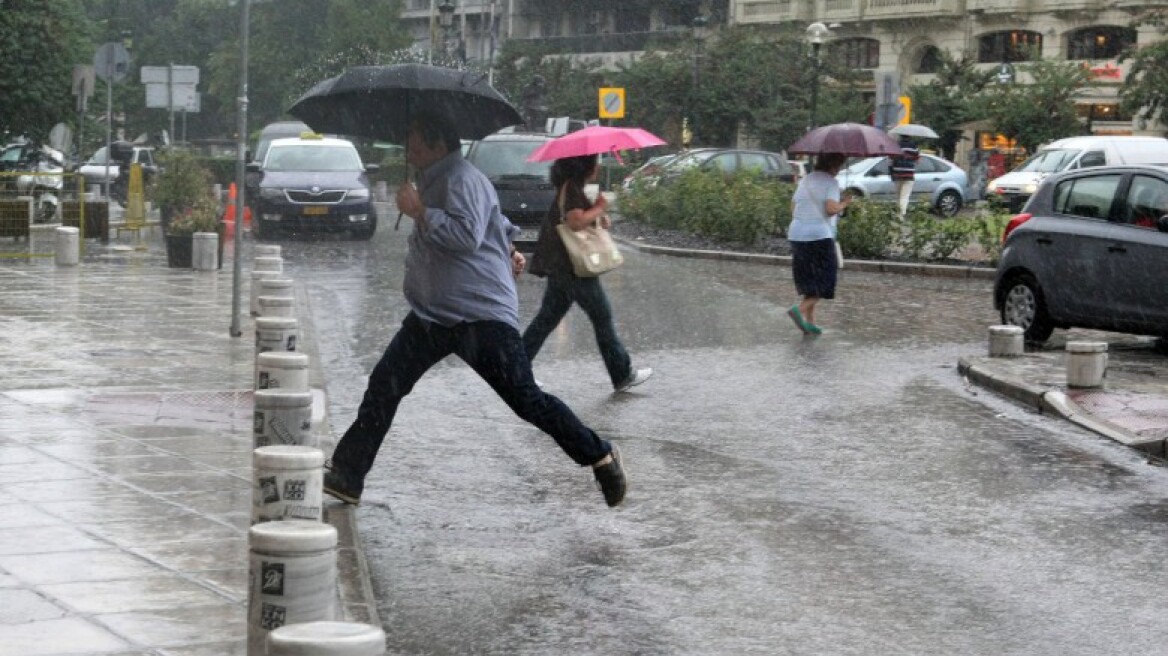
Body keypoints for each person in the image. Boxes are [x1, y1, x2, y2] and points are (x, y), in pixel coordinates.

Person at [323, 113, 627, 508]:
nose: (408, 146)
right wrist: (511, 249)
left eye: (415, 138)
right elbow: (494, 223)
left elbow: (466, 236)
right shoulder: (435, 178)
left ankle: (600, 455)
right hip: (433, 315)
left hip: (479, 317)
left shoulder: (462, 179)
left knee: (526, 400)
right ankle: (348, 475)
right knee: (385, 385)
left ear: (437, 143)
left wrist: (421, 213)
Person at [523, 154, 653, 392]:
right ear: (585, 165)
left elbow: (578, 219)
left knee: (546, 319)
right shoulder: (572, 188)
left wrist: (597, 215)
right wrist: (600, 208)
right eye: (595, 161)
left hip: (562, 267)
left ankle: (516, 370)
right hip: (573, 268)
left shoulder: (571, 187)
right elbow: (575, 221)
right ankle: (622, 373)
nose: (599, 165)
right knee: (602, 316)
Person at [786, 152, 852, 335]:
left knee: (809, 279)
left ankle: (810, 322)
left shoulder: (805, 181)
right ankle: (799, 310)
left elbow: (793, 207)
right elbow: (831, 209)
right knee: (824, 280)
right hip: (819, 236)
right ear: (833, 165)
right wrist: (845, 203)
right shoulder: (831, 182)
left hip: (797, 235)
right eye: (839, 165)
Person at [890, 134, 920, 219]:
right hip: (909, 175)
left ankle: (898, 214)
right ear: (909, 136)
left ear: (901, 136)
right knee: (905, 196)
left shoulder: (896, 145)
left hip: (897, 174)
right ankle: (901, 216)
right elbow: (917, 160)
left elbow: (891, 158)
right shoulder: (914, 146)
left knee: (898, 196)